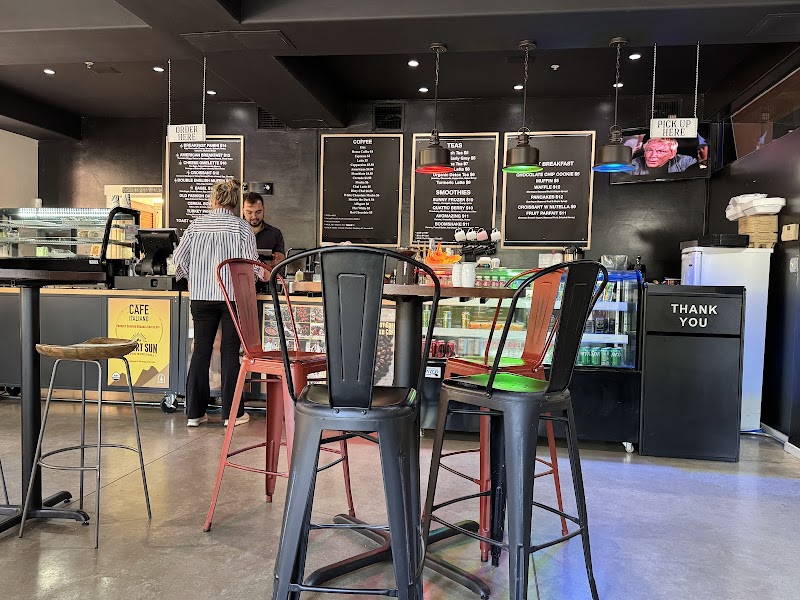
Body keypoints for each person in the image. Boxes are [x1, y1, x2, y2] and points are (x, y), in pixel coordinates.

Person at [173, 178, 259, 428]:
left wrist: (192, 279)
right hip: (232, 297)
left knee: (201, 350)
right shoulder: (242, 228)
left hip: (201, 297)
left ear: (213, 200)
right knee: (230, 353)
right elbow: (251, 267)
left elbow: (178, 260)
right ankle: (232, 415)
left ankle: (194, 413)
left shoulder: (195, 226)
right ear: (235, 202)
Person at [243, 191, 285, 266]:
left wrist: (276, 262)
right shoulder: (236, 232)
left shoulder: (275, 233)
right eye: (249, 212)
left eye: (258, 212)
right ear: (243, 211)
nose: (254, 217)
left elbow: (281, 259)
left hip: (267, 272)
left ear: (264, 210)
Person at [631, 137, 697, 175]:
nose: (652, 155)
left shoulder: (685, 161)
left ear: (672, 154)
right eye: (649, 150)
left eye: (660, 151)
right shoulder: (634, 164)